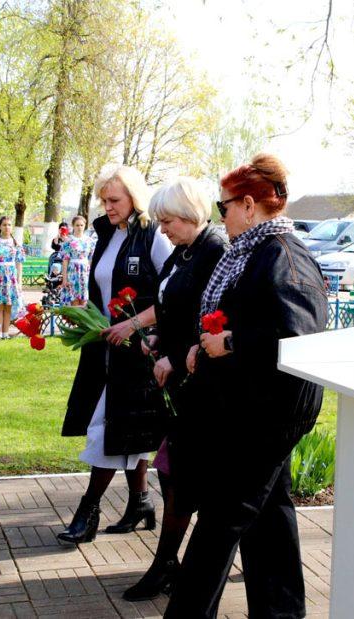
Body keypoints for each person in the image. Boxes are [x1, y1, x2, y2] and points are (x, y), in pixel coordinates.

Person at [164, 154, 327, 618]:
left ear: (250, 205)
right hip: (251, 406)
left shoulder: (283, 255)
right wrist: (205, 347)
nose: (221, 216)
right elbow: (247, 316)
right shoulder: (253, 252)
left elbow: (298, 336)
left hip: (268, 414)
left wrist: (230, 342)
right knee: (269, 521)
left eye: (224, 206)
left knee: (219, 522)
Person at [123, 177, 228, 602]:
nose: (163, 230)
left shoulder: (213, 249)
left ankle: (167, 565)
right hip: (179, 382)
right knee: (172, 472)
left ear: (190, 214)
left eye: (168, 221)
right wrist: (156, 337)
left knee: (180, 475)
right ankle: (169, 563)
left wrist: (178, 353)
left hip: (202, 383)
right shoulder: (184, 250)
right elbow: (171, 304)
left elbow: (212, 317)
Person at [57, 164, 172, 545]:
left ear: (134, 198)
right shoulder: (107, 234)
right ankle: (140, 501)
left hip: (138, 351)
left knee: (106, 428)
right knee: (126, 430)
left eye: (114, 200)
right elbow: (103, 289)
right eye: (103, 200)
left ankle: (88, 511)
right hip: (105, 347)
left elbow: (173, 293)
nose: (107, 206)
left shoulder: (154, 236)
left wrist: (137, 326)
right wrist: (86, 313)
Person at [60, 215, 96, 306]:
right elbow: (65, 260)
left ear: (85, 226)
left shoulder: (90, 241)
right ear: (73, 226)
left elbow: (92, 259)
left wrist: (92, 276)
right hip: (72, 271)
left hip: (85, 272)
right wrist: (64, 279)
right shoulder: (68, 241)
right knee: (74, 300)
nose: (79, 227)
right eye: (77, 225)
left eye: (81, 225)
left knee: (85, 301)